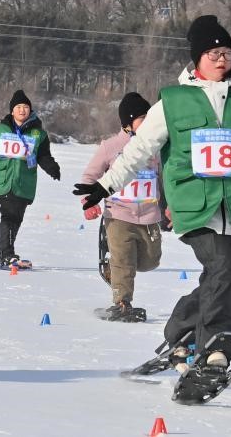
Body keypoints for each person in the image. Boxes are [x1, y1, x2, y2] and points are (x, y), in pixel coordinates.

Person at [74, 15, 231, 370]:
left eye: (227, 52)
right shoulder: (173, 101)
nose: (222, 59)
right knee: (222, 270)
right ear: (197, 59)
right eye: (213, 53)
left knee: (224, 275)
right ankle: (217, 344)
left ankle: (180, 332)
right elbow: (138, 149)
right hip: (193, 204)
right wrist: (104, 186)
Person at [80, 92, 168, 321]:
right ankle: (122, 303)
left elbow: (164, 180)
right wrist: (88, 203)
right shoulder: (111, 147)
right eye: (142, 118)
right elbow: (90, 176)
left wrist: (169, 207)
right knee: (124, 261)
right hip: (118, 214)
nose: (148, 123)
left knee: (151, 261)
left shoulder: (156, 147)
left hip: (149, 216)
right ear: (128, 122)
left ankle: (117, 268)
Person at [0, 89, 60, 266]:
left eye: (25, 107)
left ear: (30, 110)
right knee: (9, 215)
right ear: (12, 111)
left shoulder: (38, 134)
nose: (22, 110)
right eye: (18, 107)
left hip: (25, 182)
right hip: (5, 180)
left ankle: (3, 250)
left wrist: (52, 168)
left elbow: (43, 155)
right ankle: (6, 253)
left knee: (16, 217)